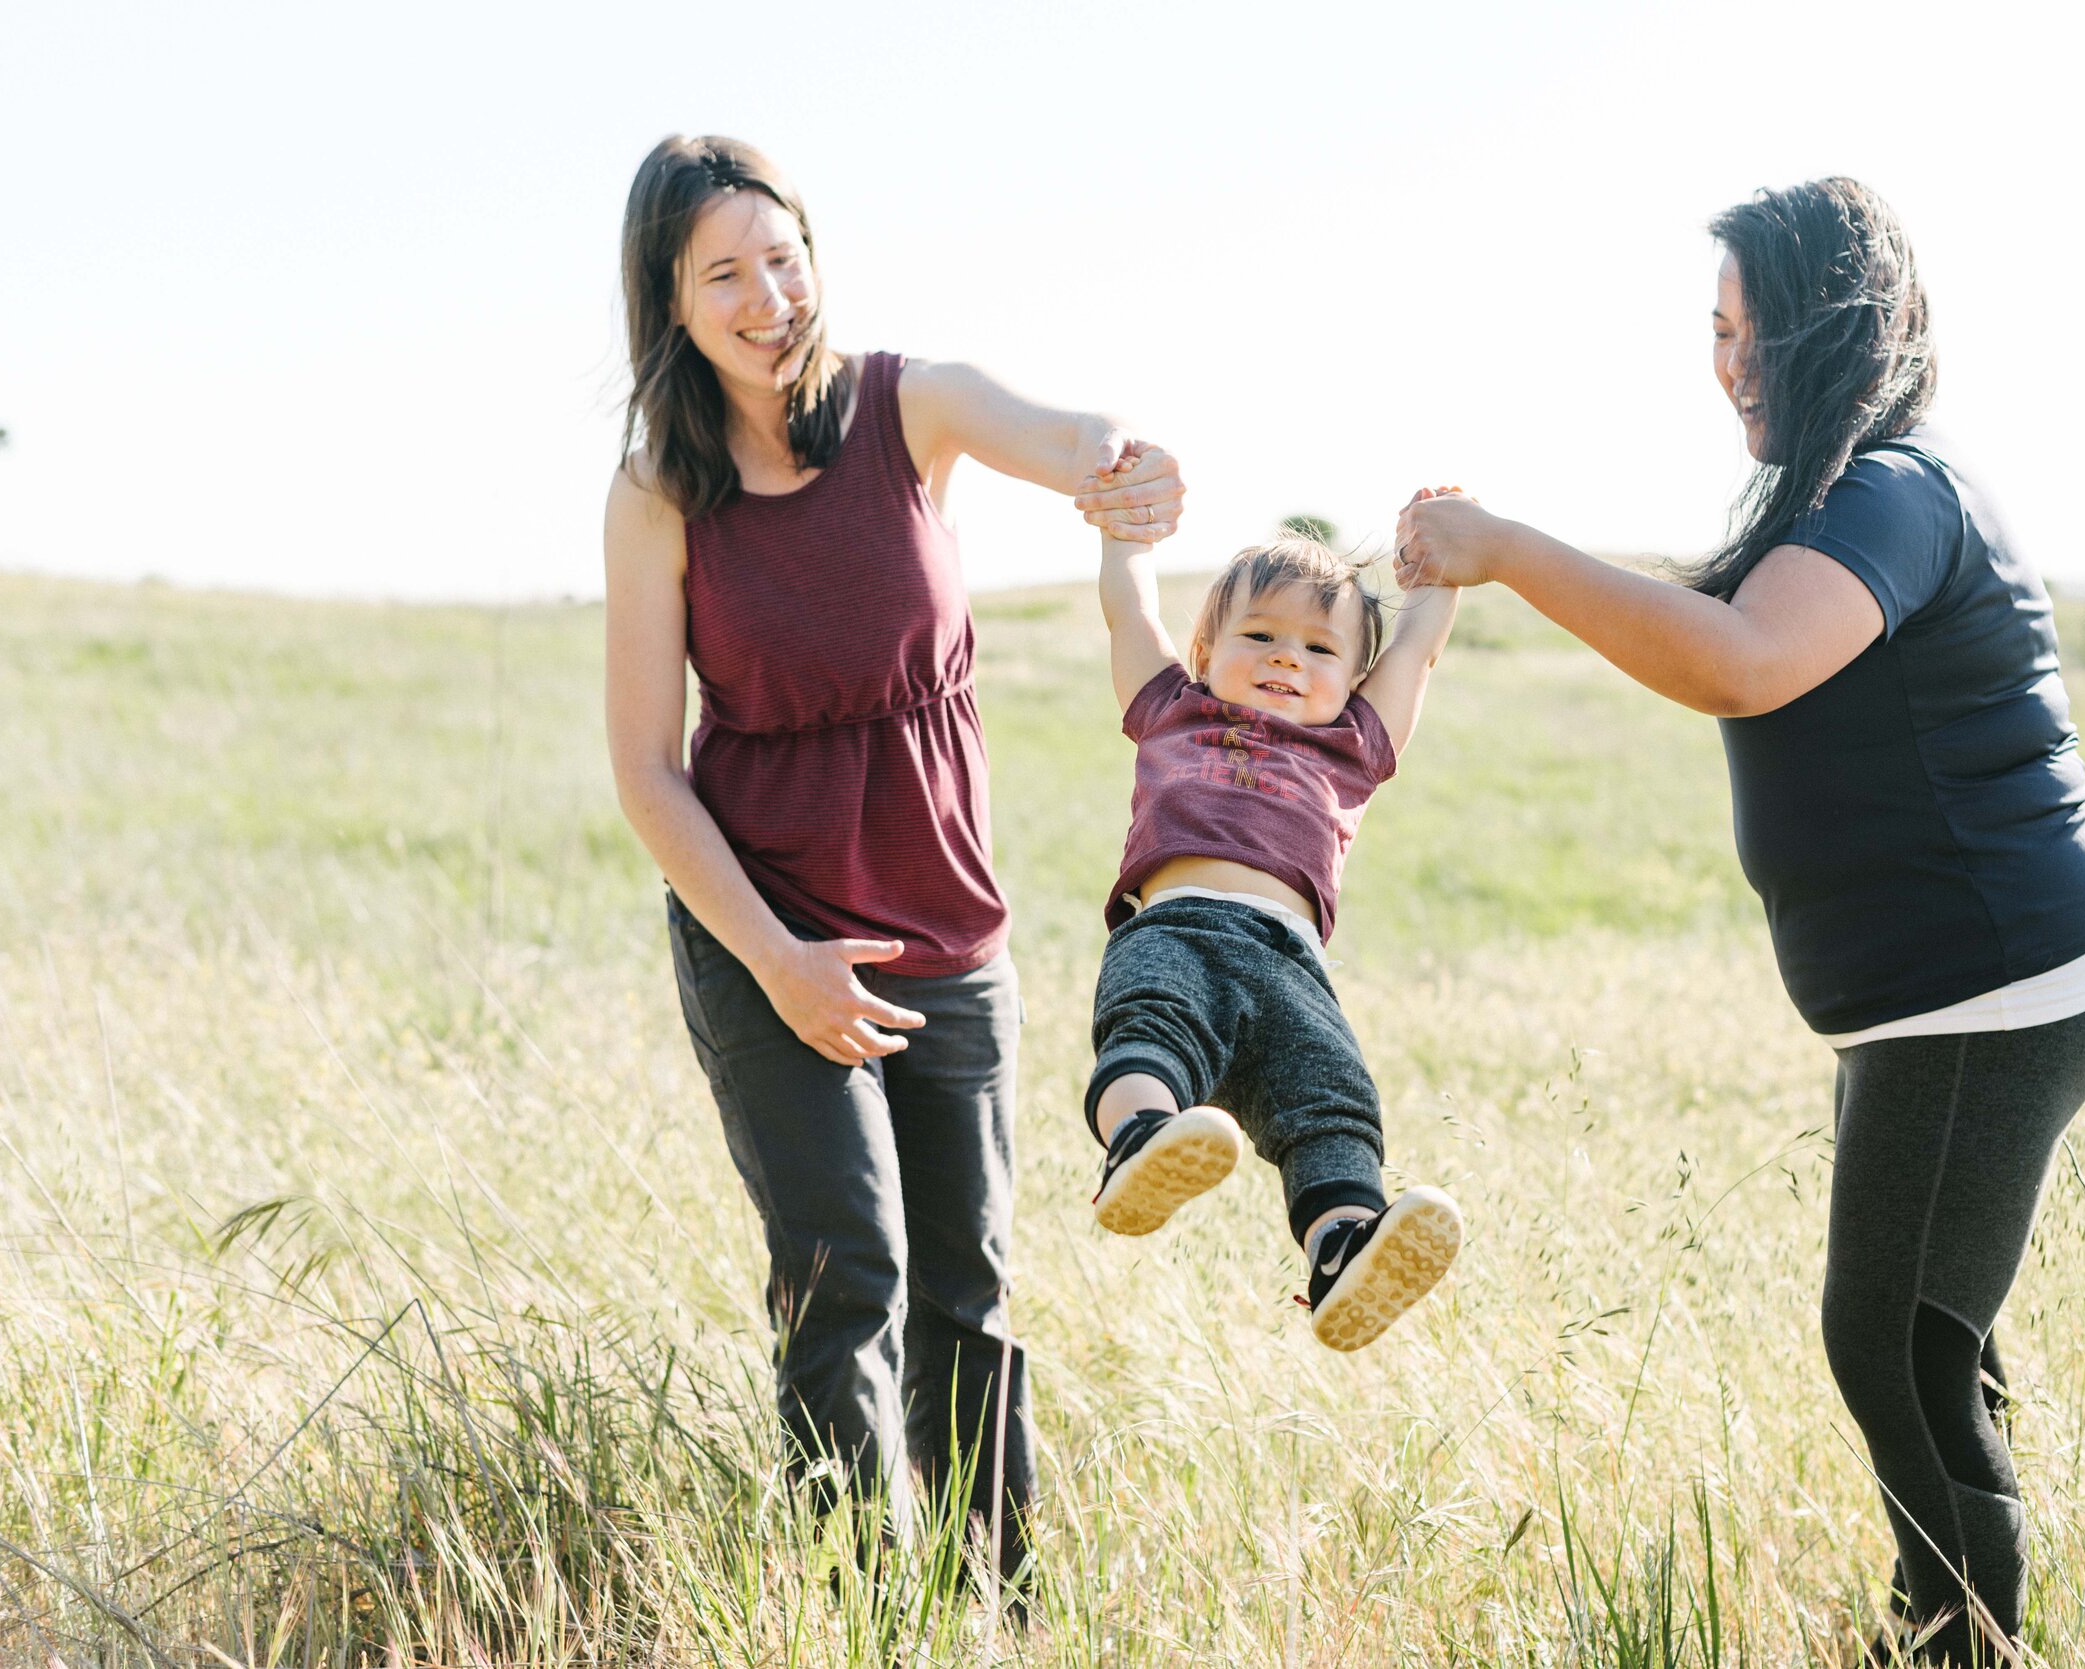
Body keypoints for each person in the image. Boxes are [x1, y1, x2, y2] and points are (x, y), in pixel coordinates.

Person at [1394, 178, 2085, 1662]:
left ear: (1836, 334)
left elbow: (1743, 663)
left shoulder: (1893, 492)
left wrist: (1509, 549)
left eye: (1752, 330)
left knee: (1893, 1337)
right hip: (1948, 987)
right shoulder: (1853, 490)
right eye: (1714, 330)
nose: (1728, 360)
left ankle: (1958, 1642)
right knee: (1932, 1326)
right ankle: (1950, 1621)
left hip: (1987, 984)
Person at [599, 135, 1184, 1578]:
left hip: (950, 932)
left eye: (782, 254)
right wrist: (782, 964)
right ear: (671, 304)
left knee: (968, 1292)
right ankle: (867, 1616)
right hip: (771, 932)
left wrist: (1127, 466)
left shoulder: (907, 407)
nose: (767, 295)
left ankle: (994, 1608)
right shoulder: (660, 494)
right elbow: (646, 771)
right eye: (723, 273)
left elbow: (1061, 433)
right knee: (845, 1275)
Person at [1082, 518, 1465, 1351]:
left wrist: (1439, 577)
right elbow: (1127, 614)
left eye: (1320, 649)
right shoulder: (1170, 710)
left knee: (1329, 1098)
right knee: (1152, 1029)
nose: (1288, 657)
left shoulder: (1352, 746)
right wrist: (1123, 541)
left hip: (1293, 966)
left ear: (1352, 677)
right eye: (1260, 636)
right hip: (1176, 929)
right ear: (1207, 649)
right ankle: (1139, 1141)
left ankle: (1345, 1245)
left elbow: (1416, 655)